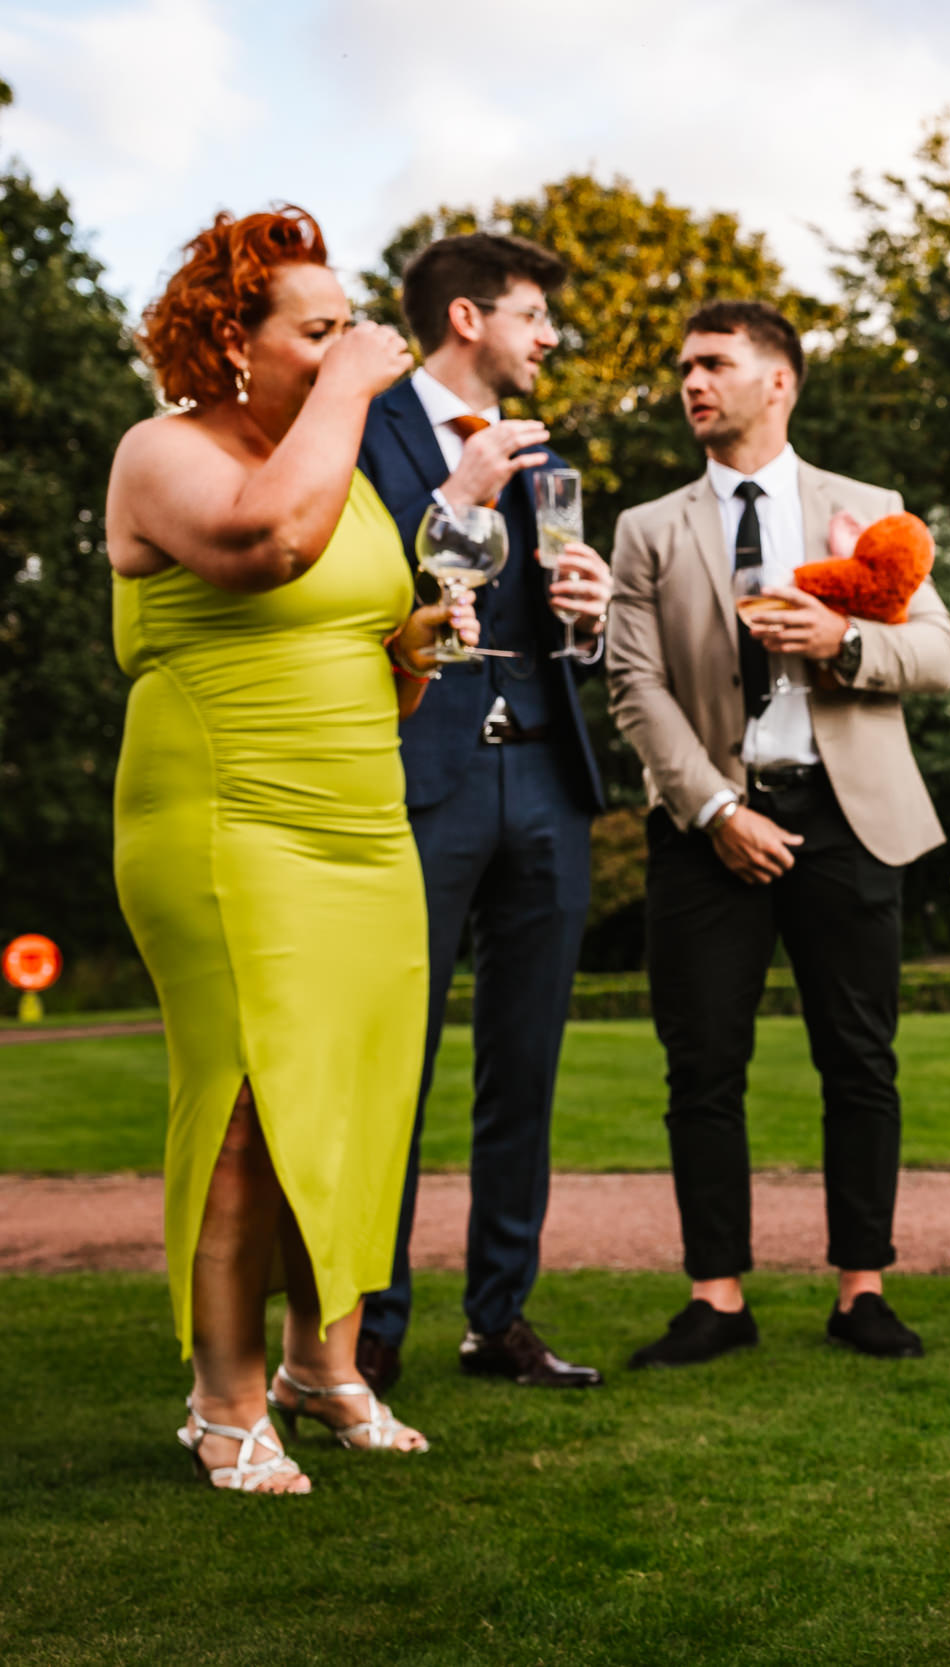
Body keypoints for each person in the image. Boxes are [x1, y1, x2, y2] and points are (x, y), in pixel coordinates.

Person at [106, 206, 477, 1491]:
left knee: (361, 1092)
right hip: (227, 817)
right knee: (248, 1106)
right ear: (231, 340)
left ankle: (329, 1366)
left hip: (362, 822)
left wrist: (419, 643)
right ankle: (224, 1401)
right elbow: (266, 544)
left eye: (349, 325)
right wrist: (359, 383)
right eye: (317, 329)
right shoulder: (163, 451)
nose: (352, 346)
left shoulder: (349, 473)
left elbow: (378, 675)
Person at [608, 300, 950, 1368]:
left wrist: (845, 641)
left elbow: (937, 655)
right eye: (682, 368)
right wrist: (715, 809)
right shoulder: (647, 528)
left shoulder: (869, 509)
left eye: (713, 363)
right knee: (701, 1065)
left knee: (859, 1058)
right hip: (705, 821)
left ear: (780, 382)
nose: (691, 382)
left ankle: (863, 1287)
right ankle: (715, 1294)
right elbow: (633, 681)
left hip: (848, 817)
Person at [352, 233, 613, 1395]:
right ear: (466, 318)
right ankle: (368, 1324)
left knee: (527, 1060)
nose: (548, 334)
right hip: (419, 774)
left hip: (546, 779)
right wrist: (459, 494)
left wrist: (591, 614)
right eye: (532, 314)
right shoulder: (365, 433)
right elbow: (358, 589)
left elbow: (551, 613)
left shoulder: (546, 451)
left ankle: (498, 1316)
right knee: (387, 1062)